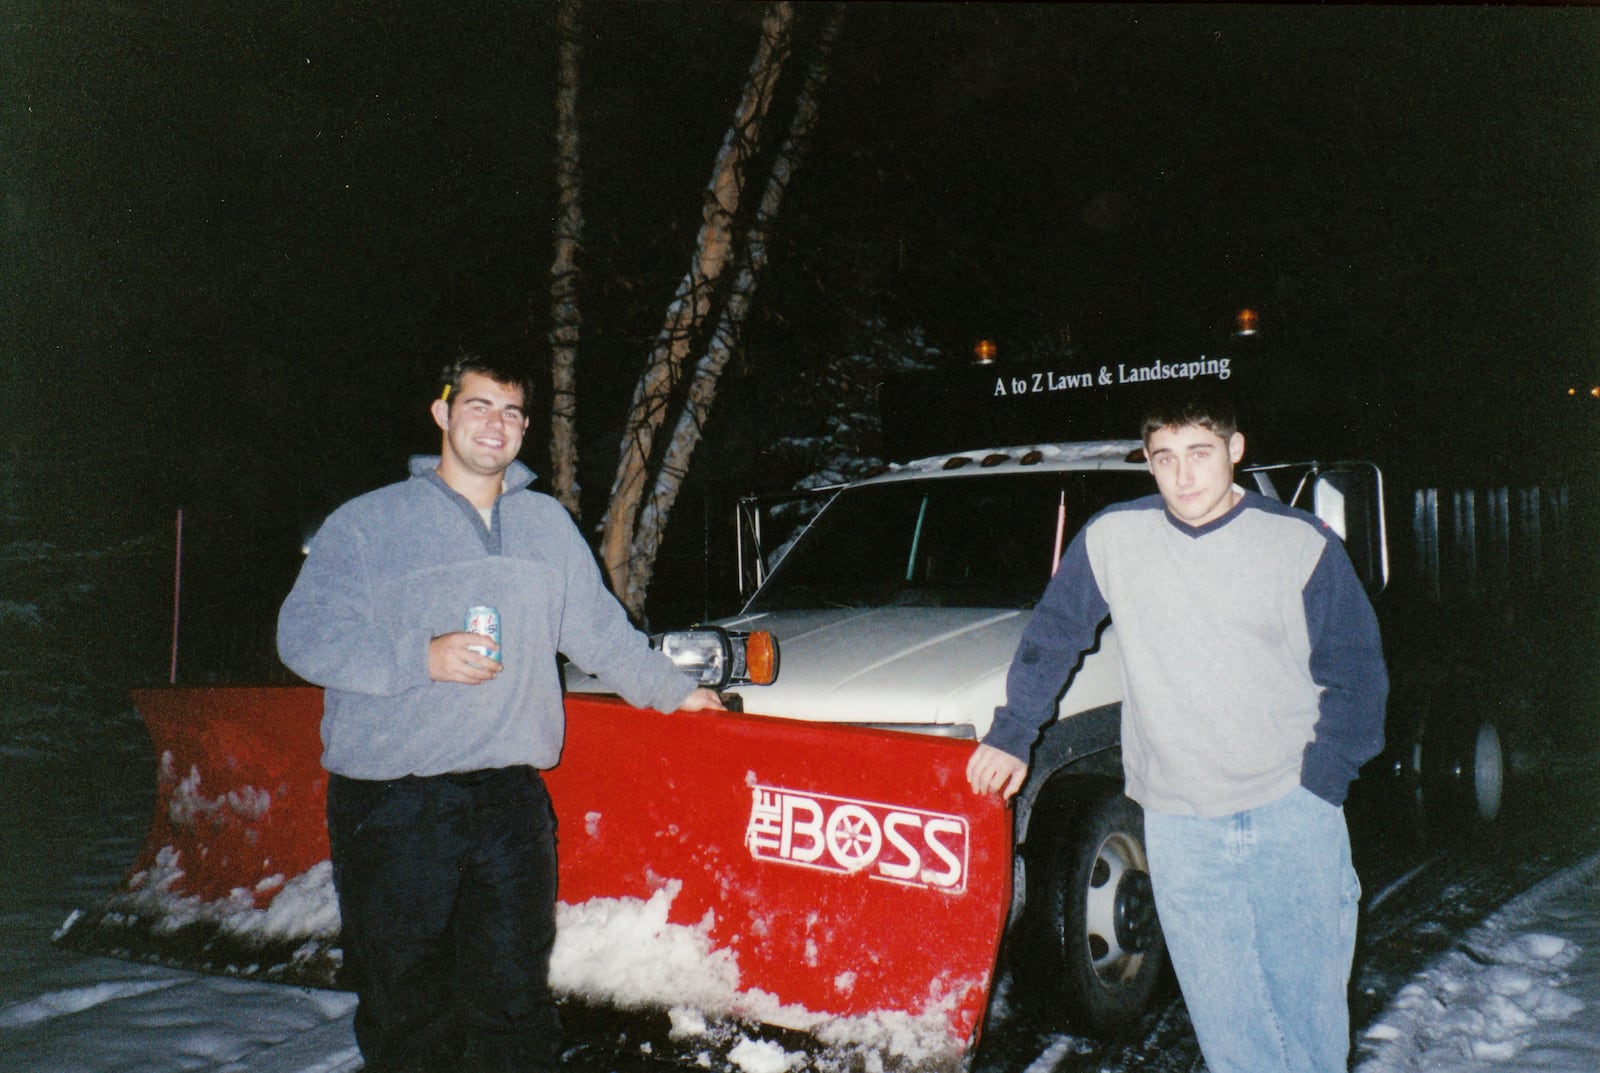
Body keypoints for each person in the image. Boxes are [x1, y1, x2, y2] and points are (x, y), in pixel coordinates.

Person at [277, 353, 724, 1073]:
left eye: (514, 412)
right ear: (442, 412)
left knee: (514, 1001)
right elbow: (303, 635)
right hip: (396, 804)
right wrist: (419, 656)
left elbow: (599, 631)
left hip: (511, 802)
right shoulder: (369, 523)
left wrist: (672, 691)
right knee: (408, 1007)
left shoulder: (544, 523)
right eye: (481, 405)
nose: (497, 425)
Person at [967, 396, 1387, 1073]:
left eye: (1200, 453)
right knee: (1229, 1027)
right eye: (1165, 458)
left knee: (1308, 1023)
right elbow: (1053, 634)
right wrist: (1013, 731)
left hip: (1290, 814)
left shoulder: (1299, 544)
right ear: (1149, 462)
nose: (1183, 475)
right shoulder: (1114, 537)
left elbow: (1358, 675)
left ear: (1235, 449)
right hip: (1180, 826)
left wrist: (1321, 783)